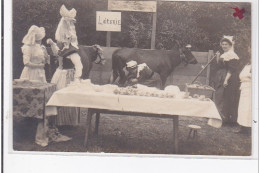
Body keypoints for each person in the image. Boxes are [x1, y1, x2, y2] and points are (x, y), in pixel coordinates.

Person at [20, 25, 71, 147]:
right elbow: (26, 62)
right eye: (40, 37)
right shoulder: (27, 48)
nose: (41, 39)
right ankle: (27, 127)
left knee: (43, 99)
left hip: (41, 74)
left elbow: (48, 58)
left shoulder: (41, 47)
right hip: (30, 73)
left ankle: (44, 128)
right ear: (36, 37)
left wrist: (46, 59)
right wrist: (39, 65)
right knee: (31, 99)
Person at [47, 4, 83, 126]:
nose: (64, 41)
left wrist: (77, 79)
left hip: (68, 75)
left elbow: (79, 65)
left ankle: (67, 121)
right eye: (64, 39)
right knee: (57, 94)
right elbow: (57, 53)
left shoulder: (73, 51)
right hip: (59, 73)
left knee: (66, 96)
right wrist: (52, 44)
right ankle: (58, 120)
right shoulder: (63, 48)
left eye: (66, 39)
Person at [215, 36, 240, 124]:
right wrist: (218, 56)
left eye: (226, 44)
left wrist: (226, 80)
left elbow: (231, 69)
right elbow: (220, 65)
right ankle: (222, 117)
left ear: (230, 45)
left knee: (228, 98)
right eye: (223, 44)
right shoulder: (224, 54)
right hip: (224, 77)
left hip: (231, 78)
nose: (224, 46)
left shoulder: (232, 55)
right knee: (223, 97)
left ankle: (228, 120)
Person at [236, 47, 251, 133]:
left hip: (251, 88)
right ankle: (243, 127)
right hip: (244, 87)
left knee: (248, 108)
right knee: (242, 108)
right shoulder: (247, 65)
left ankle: (248, 128)